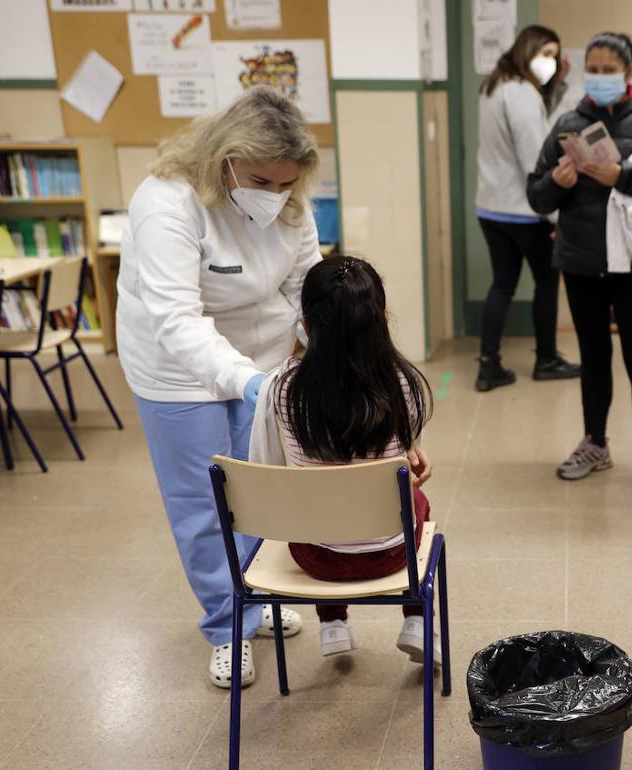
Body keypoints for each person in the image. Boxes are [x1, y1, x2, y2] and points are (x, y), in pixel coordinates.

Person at [117, 86, 320, 689]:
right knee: (203, 504)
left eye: (286, 184)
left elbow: (305, 286)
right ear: (224, 158)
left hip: (261, 358)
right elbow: (177, 319)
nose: (275, 195)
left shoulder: (289, 206)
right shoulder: (167, 204)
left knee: (256, 487)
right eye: (262, 179)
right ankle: (229, 623)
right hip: (178, 370)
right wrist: (243, 380)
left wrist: (328, 346)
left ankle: (257, 594)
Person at [527, 31, 632, 496]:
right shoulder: (570, 121)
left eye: (608, 70)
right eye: (593, 70)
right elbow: (536, 194)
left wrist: (625, 175)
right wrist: (558, 182)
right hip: (581, 261)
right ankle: (596, 443)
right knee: (594, 358)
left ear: (629, 68)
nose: (599, 78)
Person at [249, 256, 439, 663]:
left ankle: (332, 624)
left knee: (317, 502)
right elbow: (406, 466)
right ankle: (418, 619)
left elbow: (266, 474)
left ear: (305, 324)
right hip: (393, 554)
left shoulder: (280, 386)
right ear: (383, 320)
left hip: (316, 557)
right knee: (417, 503)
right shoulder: (402, 382)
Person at [475, 24, 580, 392]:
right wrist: (555, 215)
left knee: (502, 284)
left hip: (490, 207)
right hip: (525, 210)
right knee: (547, 281)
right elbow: (535, 160)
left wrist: (558, 84)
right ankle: (547, 359)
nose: (550, 62)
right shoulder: (521, 93)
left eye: (555, 55)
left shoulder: (495, 85)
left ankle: (488, 366)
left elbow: (535, 122)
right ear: (528, 50)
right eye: (546, 54)